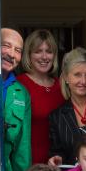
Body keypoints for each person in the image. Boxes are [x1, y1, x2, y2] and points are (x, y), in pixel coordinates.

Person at [17, 30, 65, 164]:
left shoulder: (61, 86)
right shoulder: (19, 85)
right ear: (29, 55)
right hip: (29, 163)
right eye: (38, 51)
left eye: (49, 51)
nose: (44, 57)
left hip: (59, 163)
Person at [0, 27, 32, 171]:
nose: (11, 54)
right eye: (6, 46)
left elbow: (22, 149)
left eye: (18, 50)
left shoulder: (21, 93)